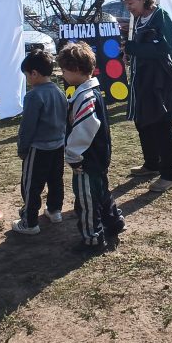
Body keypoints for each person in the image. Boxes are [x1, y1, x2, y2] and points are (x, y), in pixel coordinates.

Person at [58, 42, 125, 252]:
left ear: (76, 70)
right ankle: (114, 222)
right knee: (101, 192)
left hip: (86, 161)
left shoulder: (85, 97)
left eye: (64, 70)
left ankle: (92, 239)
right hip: (98, 158)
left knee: (87, 202)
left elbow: (85, 129)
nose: (63, 74)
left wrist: (73, 156)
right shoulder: (91, 91)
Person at [120, 0, 172, 192]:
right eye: (126, 4)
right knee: (143, 122)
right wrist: (130, 51)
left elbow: (165, 47)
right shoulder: (138, 19)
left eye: (131, 2)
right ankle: (152, 163)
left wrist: (135, 48)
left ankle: (170, 174)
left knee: (162, 125)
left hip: (159, 83)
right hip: (142, 81)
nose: (128, 7)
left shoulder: (160, 16)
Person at [12, 50, 68, 235]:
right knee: (55, 180)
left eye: (27, 75)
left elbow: (27, 126)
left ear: (34, 73)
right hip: (58, 146)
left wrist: (23, 148)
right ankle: (55, 211)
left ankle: (29, 222)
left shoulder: (34, 96)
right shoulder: (60, 92)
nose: (27, 79)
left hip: (39, 149)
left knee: (31, 186)